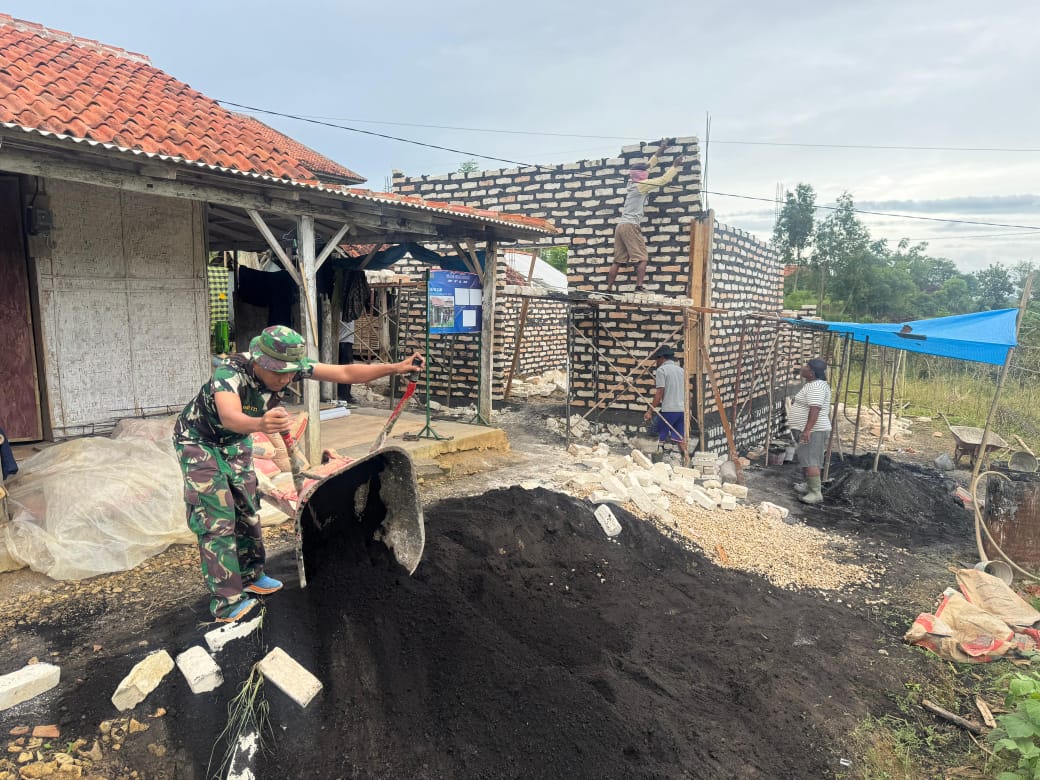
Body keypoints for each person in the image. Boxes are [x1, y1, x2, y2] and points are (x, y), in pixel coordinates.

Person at [173, 325, 421, 623]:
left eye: (291, 372)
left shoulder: (290, 367)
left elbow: (345, 372)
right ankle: (226, 602)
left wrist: (396, 368)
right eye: (279, 373)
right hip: (199, 441)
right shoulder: (229, 373)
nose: (286, 379)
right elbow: (229, 416)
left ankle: (251, 576)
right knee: (218, 516)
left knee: (246, 506)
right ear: (260, 362)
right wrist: (260, 424)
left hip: (235, 441)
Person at [608, 139, 684, 293]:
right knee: (642, 258)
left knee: (618, 260)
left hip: (620, 226)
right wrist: (675, 166)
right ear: (643, 175)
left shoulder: (632, 181)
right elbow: (663, 180)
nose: (648, 171)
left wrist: (661, 149)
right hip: (630, 226)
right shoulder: (642, 185)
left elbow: (649, 165)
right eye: (646, 172)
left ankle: (608, 289)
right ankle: (639, 287)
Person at [789, 358, 833, 505]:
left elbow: (815, 409)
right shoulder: (813, 384)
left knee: (811, 461)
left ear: (812, 372)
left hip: (814, 430)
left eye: (806, 366)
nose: (803, 368)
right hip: (809, 429)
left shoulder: (817, 387)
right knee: (807, 458)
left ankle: (815, 492)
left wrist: (808, 430)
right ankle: (809, 485)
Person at [643, 345, 686, 455]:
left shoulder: (661, 370)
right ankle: (687, 459)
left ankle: (656, 459)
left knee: (656, 433)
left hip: (669, 410)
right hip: (681, 410)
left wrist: (650, 411)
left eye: (657, 359)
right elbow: (687, 392)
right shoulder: (681, 371)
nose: (656, 362)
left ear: (662, 358)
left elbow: (659, 392)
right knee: (680, 438)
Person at [337, 318, 356, 405]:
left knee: (347, 368)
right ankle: (344, 395)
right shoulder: (346, 313)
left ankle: (346, 393)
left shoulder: (349, 312)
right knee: (346, 369)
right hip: (344, 342)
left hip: (346, 342)